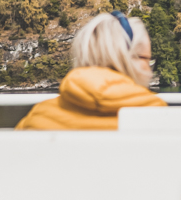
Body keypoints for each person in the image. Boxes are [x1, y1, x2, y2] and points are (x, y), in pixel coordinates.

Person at [17, 10, 166, 130]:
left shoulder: (38, 117)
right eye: (148, 60)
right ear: (130, 59)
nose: (150, 71)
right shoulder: (158, 115)